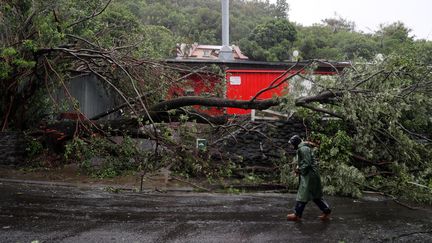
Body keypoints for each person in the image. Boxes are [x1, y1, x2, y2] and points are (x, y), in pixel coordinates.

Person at [286, 135, 331, 221]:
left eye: (292, 144)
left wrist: (299, 170)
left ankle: (297, 214)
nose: (291, 146)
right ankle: (326, 211)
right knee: (315, 195)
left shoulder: (303, 149)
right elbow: (305, 162)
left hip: (309, 175)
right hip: (311, 175)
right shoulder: (303, 148)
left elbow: (307, 163)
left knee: (302, 195)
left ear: (296, 143)